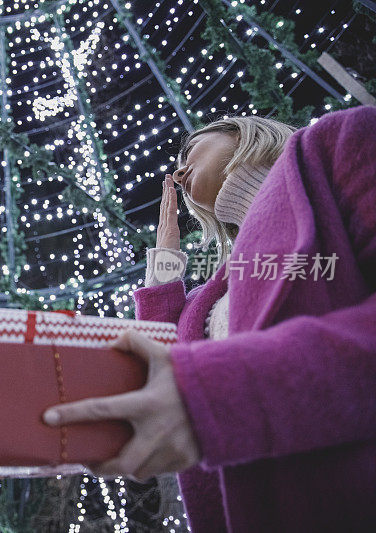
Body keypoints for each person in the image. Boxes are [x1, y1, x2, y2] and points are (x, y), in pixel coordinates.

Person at [43, 106, 376, 531]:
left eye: (190, 152)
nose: (179, 173)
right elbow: (163, 363)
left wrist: (219, 393)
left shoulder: (341, 143)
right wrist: (165, 257)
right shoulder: (212, 295)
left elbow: (197, 385)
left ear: (241, 134)